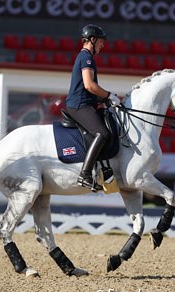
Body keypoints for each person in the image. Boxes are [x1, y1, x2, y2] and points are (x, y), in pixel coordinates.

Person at [65, 24, 121, 191]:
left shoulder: (86, 57)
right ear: (92, 40)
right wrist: (109, 95)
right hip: (79, 105)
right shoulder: (86, 58)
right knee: (102, 133)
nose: (102, 46)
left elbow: (88, 88)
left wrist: (103, 100)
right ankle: (85, 174)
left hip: (84, 102)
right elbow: (89, 85)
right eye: (101, 42)